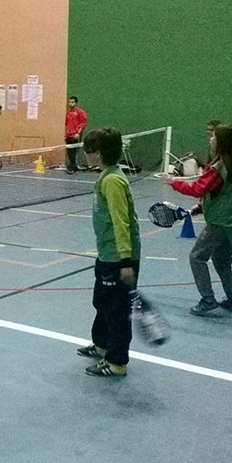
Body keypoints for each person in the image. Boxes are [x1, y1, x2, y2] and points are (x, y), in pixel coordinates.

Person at [160, 124, 232, 315]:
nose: (210, 139)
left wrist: (172, 181)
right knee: (221, 259)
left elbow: (198, 188)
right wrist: (201, 207)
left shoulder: (219, 167)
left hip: (222, 221)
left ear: (221, 141)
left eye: (213, 136)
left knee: (197, 257)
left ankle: (208, 300)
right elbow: (224, 192)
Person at [77, 127, 141, 377]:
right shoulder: (107, 175)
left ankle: (116, 362)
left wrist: (125, 261)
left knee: (118, 312)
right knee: (102, 302)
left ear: (98, 153)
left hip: (118, 257)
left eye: (88, 150)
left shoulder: (112, 181)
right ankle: (102, 345)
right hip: (106, 253)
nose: (85, 154)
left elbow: (121, 222)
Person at [64, 96, 87, 174]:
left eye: (72, 102)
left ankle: (73, 167)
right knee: (69, 151)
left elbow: (83, 123)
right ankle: (72, 166)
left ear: (76, 103)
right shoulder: (68, 113)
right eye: (69, 102)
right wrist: (66, 134)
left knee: (74, 151)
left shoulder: (80, 112)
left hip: (75, 135)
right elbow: (66, 124)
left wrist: (78, 133)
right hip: (69, 135)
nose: (70, 104)